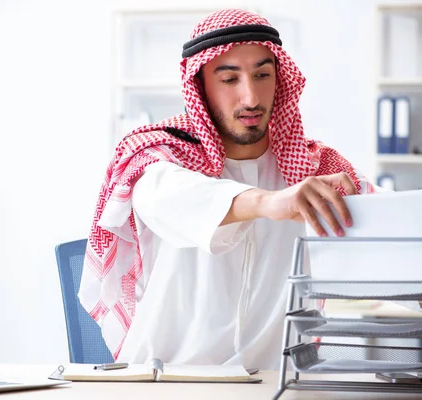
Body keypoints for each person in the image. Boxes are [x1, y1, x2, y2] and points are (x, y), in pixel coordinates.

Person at [78, 8, 378, 369]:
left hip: (274, 381)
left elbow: (395, 226)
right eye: (229, 79)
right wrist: (267, 203)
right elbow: (170, 197)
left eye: (262, 75)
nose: (250, 97)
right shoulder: (158, 157)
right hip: (168, 377)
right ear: (200, 86)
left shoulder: (316, 169)